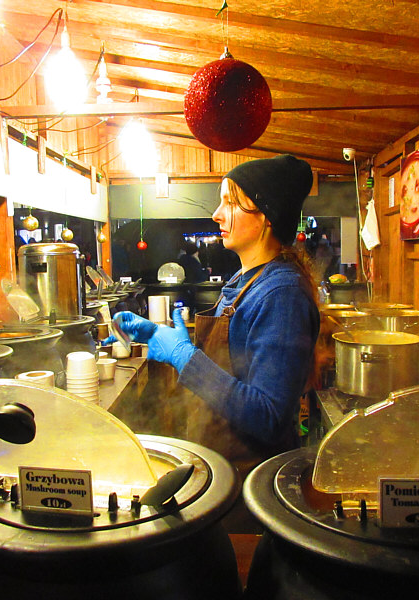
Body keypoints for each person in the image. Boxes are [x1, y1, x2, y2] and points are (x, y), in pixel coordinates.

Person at [106, 155, 320, 529]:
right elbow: (229, 362)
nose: (217, 215)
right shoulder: (244, 280)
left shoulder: (281, 294)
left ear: (266, 217)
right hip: (220, 467)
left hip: (250, 488)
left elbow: (269, 416)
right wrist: (156, 335)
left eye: (230, 202)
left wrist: (184, 357)